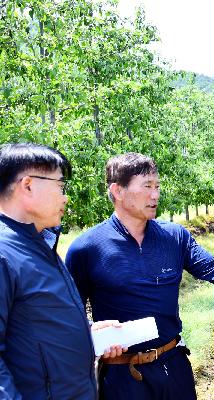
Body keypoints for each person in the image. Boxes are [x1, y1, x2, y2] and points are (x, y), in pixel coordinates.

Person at [65, 152, 214, 400]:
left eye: (157, 186)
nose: (155, 195)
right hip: (122, 376)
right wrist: (95, 335)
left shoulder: (174, 237)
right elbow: (69, 315)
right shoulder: (87, 248)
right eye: (147, 187)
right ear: (118, 190)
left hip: (173, 365)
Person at [0, 143, 125, 400]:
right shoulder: (5, 253)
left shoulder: (39, 244)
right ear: (28, 186)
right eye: (60, 185)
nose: (65, 197)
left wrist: (85, 331)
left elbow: (32, 325)